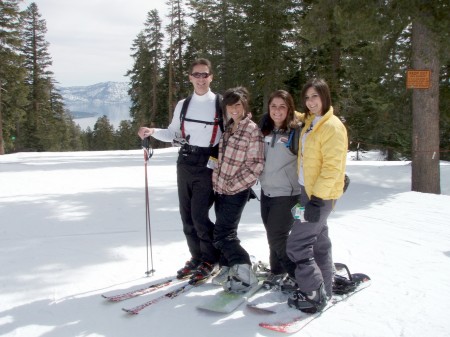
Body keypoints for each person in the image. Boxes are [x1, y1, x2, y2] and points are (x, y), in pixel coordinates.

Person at [137, 58, 222, 284]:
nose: (201, 79)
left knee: (199, 216)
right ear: (190, 77)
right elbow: (174, 133)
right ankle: (197, 257)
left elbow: (231, 133)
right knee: (186, 216)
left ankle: (211, 259)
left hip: (209, 162)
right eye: (197, 74)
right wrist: (152, 131)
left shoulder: (219, 103)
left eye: (205, 74)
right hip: (185, 160)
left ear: (211, 77)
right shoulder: (183, 105)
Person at [286, 78, 348, 313]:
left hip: (319, 197)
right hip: (308, 192)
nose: (311, 102)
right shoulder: (312, 121)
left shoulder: (332, 127)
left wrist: (317, 200)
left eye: (316, 96)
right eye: (308, 97)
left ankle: (313, 292)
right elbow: (301, 116)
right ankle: (326, 286)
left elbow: (332, 167)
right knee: (319, 240)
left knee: (298, 244)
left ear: (325, 97)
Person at [210, 86, 264, 293]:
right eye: (230, 106)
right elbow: (220, 159)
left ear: (244, 106)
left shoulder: (251, 130)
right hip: (220, 188)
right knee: (224, 231)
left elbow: (256, 164)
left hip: (236, 190)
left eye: (238, 105)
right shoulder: (229, 127)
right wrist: (217, 179)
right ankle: (227, 267)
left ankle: (243, 269)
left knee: (223, 235)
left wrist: (234, 184)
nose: (234, 109)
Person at [258, 90, 303, 290]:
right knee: (272, 235)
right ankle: (277, 270)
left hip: (287, 193)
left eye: (282, 106)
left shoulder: (296, 132)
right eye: (273, 106)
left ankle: (300, 275)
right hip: (267, 191)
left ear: (289, 109)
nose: (277, 111)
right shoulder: (265, 130)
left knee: (278, 236)